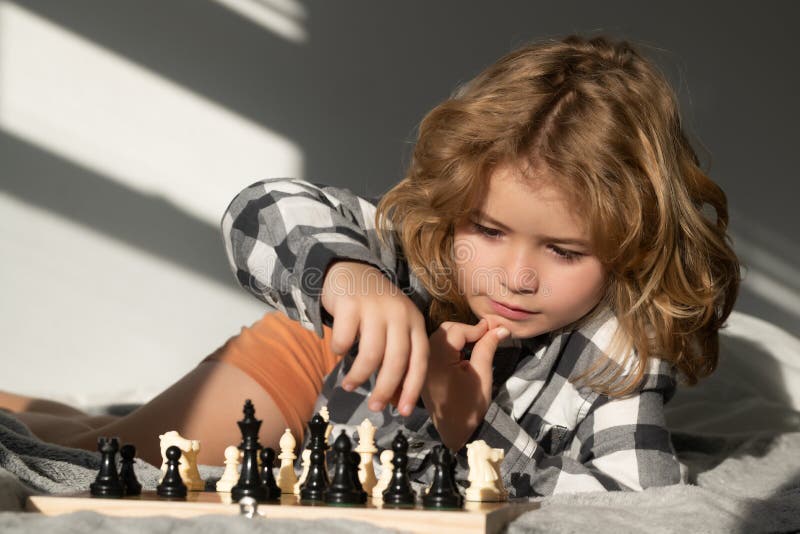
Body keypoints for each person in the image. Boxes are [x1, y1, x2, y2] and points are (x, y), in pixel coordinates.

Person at [2, 35, 739, 497]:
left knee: (100, 436)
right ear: (457, 205)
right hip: (304, 366)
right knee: (91, 461)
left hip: (354, 438)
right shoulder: (419, 240)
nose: (515, 276)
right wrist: (351, 279)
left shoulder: (621, 352)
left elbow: (638, 497)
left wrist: (458, 436)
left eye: (564, 251)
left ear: (633, 246)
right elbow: (262, 210)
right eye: (486, 229)